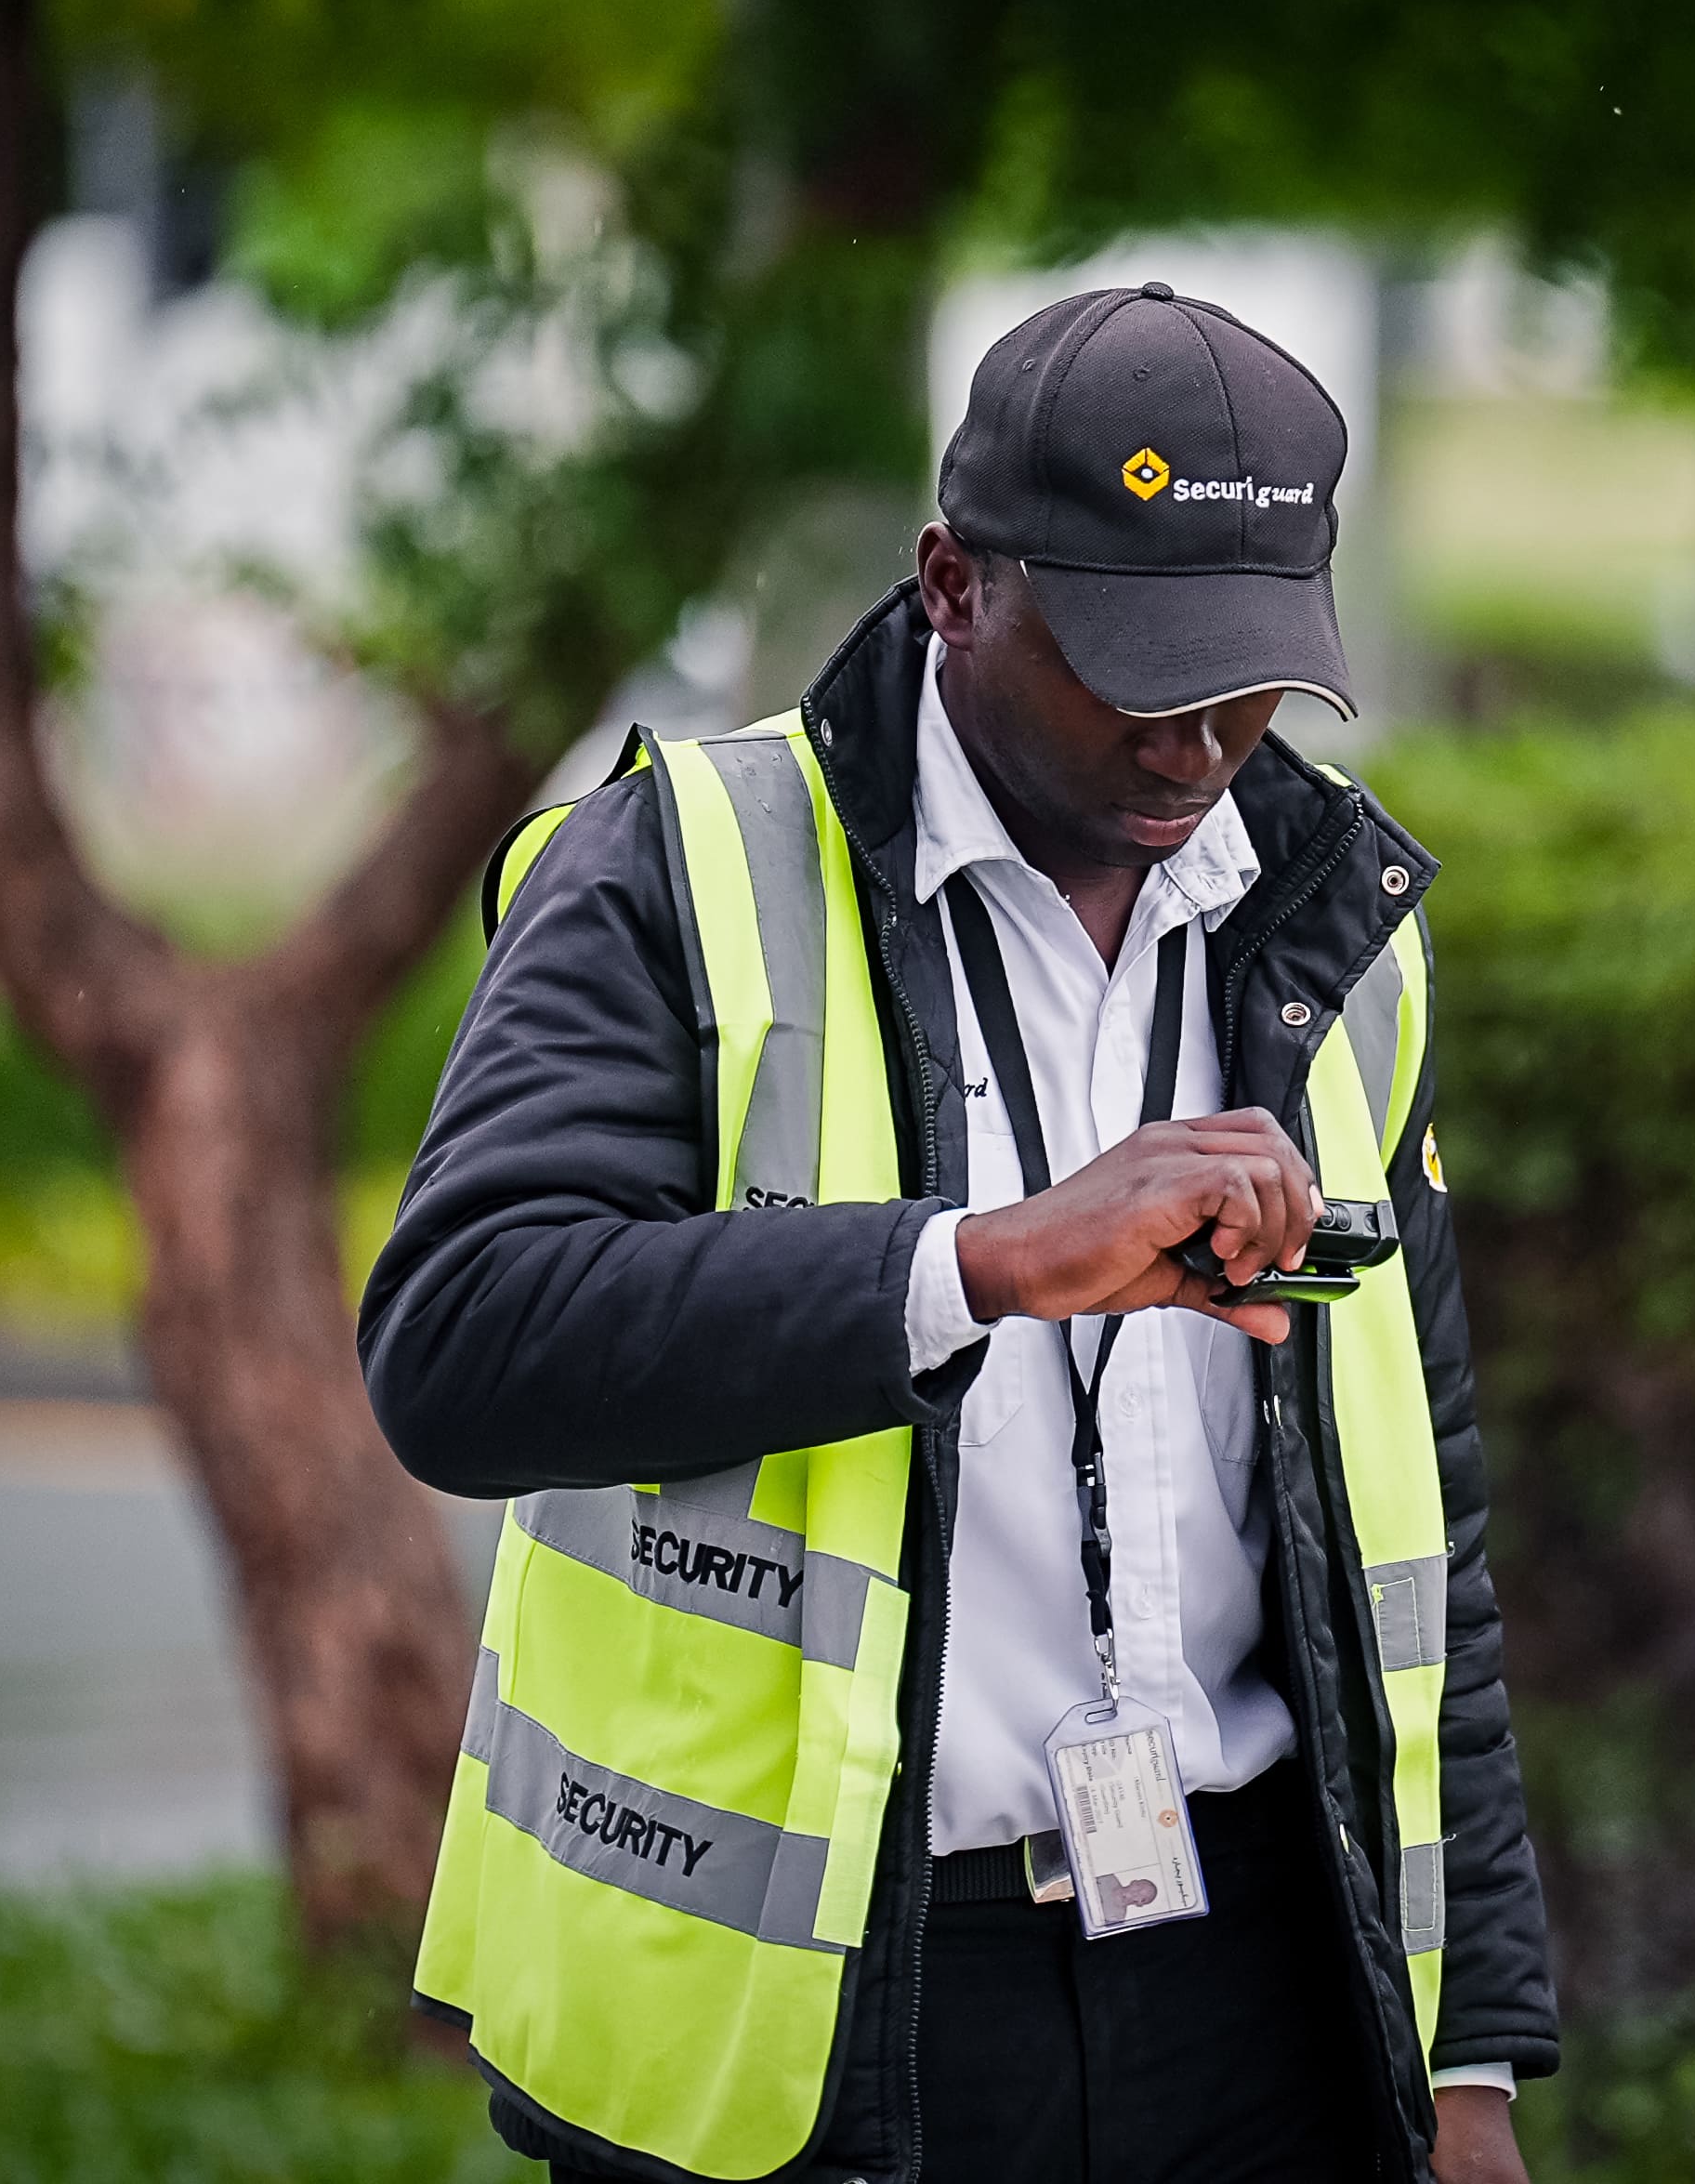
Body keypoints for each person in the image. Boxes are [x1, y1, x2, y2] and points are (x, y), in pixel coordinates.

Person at [362, 281, 1554, 2184]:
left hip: (1260, 1984)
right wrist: (978, 1265)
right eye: (1136, 668)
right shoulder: (680, 870)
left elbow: (1425, 1531)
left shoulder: (1335, 919)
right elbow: (461, 1345)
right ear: (951, 585)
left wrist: (1467, 2051)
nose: (1198, 742)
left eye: (1249, 674)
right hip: (839, 2007)